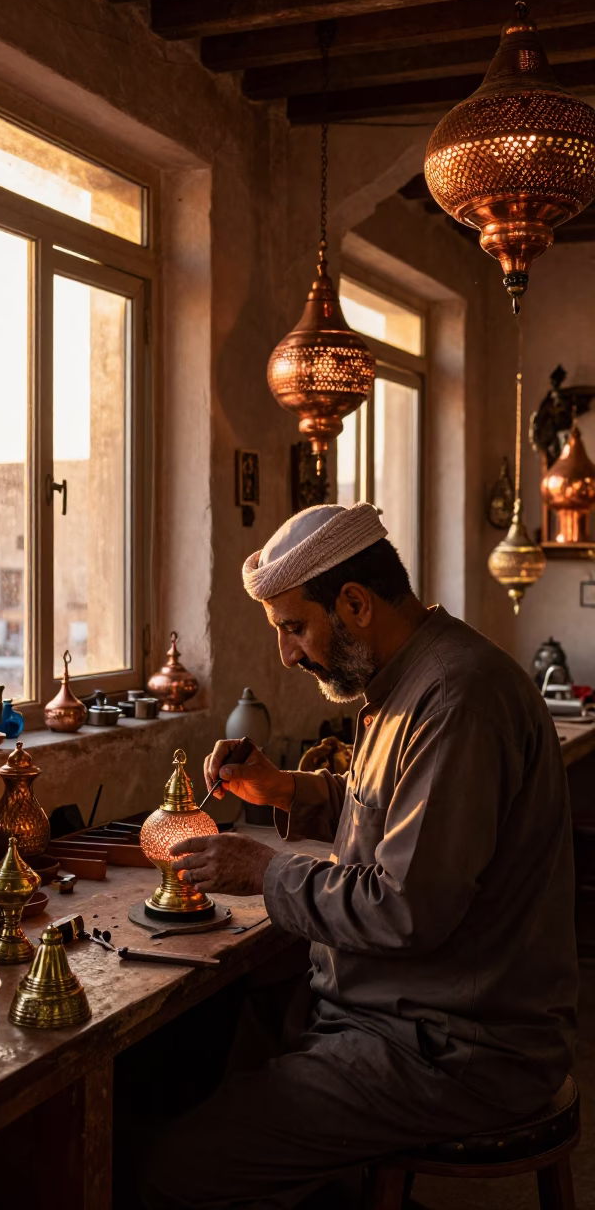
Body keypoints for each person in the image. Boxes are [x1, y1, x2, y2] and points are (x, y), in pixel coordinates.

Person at [143, 502, 577, 1210]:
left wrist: (262, 870)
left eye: (293, 628)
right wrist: (286, 789)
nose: (287, 653)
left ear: (354, 602)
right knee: (212, 1052)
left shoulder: (456, 696)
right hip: (404, 1016)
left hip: (456, 1048)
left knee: (175, 1169)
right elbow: (402, 814)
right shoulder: (410, 677)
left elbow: (407, 908)